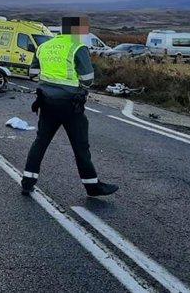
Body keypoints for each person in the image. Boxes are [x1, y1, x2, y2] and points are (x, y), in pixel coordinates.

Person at [21, 16, 118, 197]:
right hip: (71, 105)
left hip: (46, 103)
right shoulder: (77, 48)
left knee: (40, 142)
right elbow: (88, 79)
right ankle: (92, 186)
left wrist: (48, 81)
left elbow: (33, 74)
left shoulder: (44, 47)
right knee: (80, 147)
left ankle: (27, 182)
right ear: (77, 31)